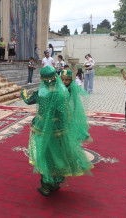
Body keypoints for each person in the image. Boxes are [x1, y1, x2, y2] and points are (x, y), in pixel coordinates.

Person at [20, 66, 93, 196]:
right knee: (57, 155)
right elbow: (65, 112)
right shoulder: (63, 92)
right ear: (55, 77)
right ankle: (56, 183)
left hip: (42, 128)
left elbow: (28, 100)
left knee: (43, 155)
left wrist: (23, 93)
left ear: (43, 78)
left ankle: (46, 185)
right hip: (59, 129)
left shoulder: (41, 92)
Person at [60, 70, 92, 144]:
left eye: (66, 80)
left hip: (68, 109)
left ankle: (73, 136)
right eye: (62, 80)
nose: (64, 82)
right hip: (61, 108)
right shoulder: (60, 86)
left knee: (70, 123)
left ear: (70, 80)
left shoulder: (71, 88)